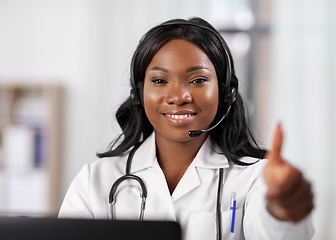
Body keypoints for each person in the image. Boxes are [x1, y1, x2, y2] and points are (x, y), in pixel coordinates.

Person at [59, 17, 314, 240]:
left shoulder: (255, 176)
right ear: (138, 93)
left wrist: (281, 209)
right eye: (159, 80)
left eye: (198, 80)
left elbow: (277, 234)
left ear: (225, 93)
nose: (178, 96)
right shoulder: (94, 181)